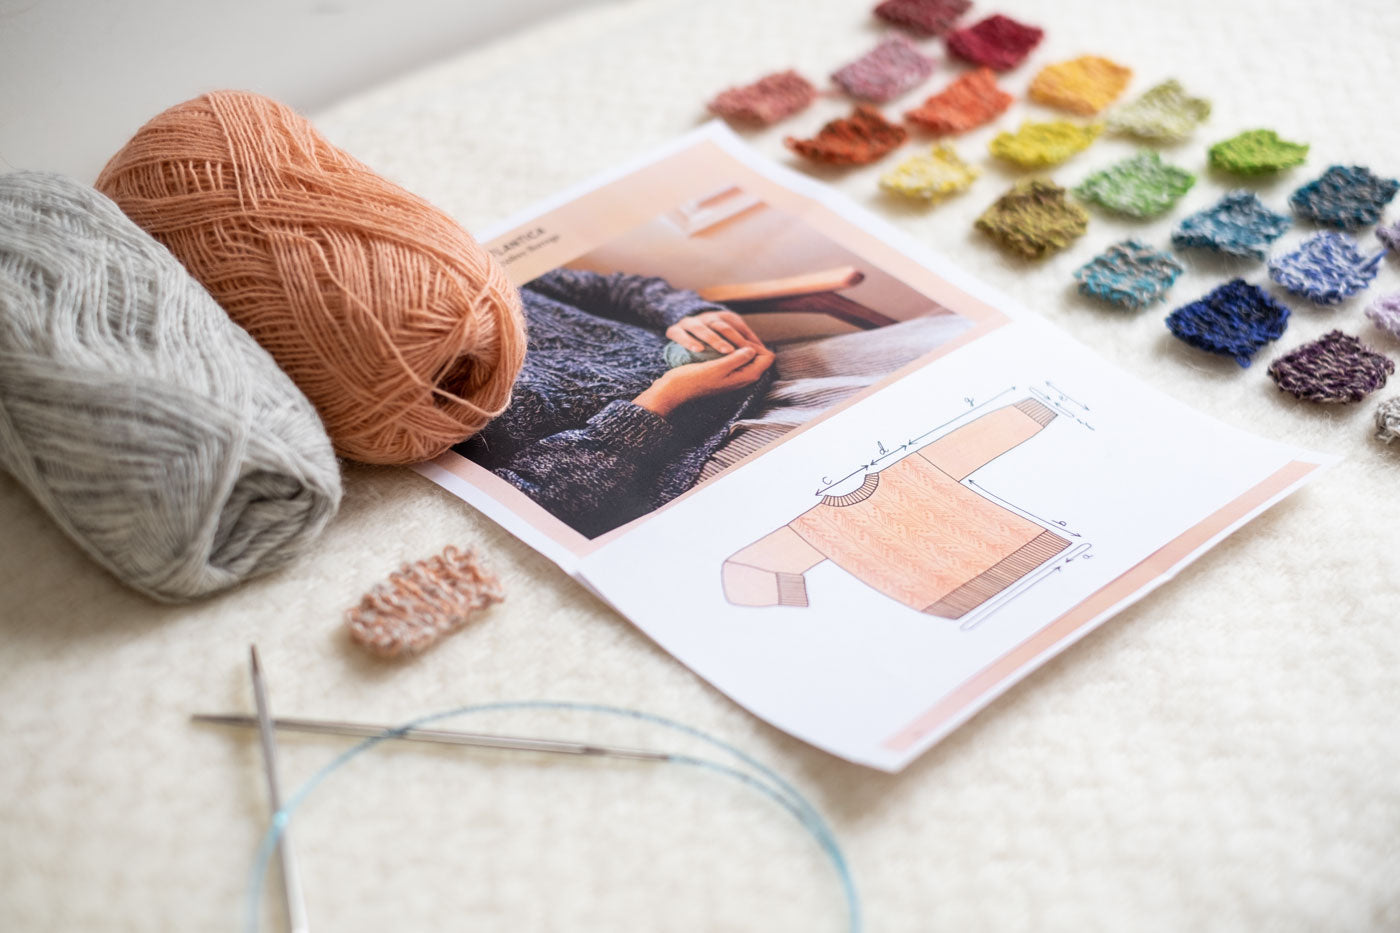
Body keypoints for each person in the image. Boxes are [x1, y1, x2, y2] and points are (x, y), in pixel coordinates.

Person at [459, 267, 775, 538]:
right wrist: (661, 399)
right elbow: (532, 501)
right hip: (683, 465)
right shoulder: (435, 408)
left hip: (755, 380)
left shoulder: (474, 273)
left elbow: (617, 288)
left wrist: (691, 314)